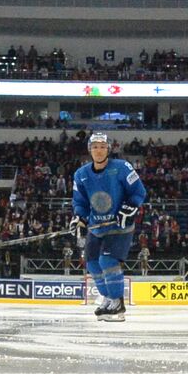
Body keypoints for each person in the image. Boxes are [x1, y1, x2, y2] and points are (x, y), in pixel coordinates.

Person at [71, 131, 146, 322]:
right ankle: (108, 299)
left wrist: (130, 207)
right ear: (90, 150)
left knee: (107, 261)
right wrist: (79, 218)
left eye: (102, 147)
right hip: (96, 227)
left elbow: (138, 192)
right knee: (92, 263)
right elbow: (80, 202)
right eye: (95, 147)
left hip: (119, 226)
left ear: (108, 149)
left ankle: (118, 303)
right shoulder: (81, 174)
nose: (98, 150)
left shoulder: (122, 167)